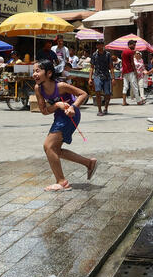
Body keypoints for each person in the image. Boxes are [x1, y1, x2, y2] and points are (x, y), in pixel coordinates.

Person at [33, 58, 97, 191]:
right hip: (59, 116)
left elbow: (83, 94)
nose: (34, 74)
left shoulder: (60, 86)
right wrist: (57, 105)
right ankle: (89, 163)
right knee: (55, 150)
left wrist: (73, 107)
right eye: (33, 71)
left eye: (38, 71)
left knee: (48, 146)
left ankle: (61, 182)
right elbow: (44, 111)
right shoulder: (38, 88)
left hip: (71, 116)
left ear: (49, 73)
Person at [89, 40, 113, 116]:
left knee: (107, 93)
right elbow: (92, 67)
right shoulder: (94, 55)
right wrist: (90, 78)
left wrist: (113, 78)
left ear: (103, 45)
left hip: (106, 75)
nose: (99, 46)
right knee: (98, 91)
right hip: (97, 75)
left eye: (100, 44)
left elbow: (111, 67)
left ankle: (106, 108)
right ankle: (99, 110)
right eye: (97, 45)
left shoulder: (108, 54)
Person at [120, 39, 143, 105]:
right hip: (130, 71)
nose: (134, 46)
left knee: (125, 86)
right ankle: (138, 101)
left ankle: (124, 101)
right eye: (133, 45)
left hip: (125, 71)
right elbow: (132, 63)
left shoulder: (123, 52)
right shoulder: (130, 52)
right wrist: (135, 71)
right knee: (134, 86)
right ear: (129, 45)